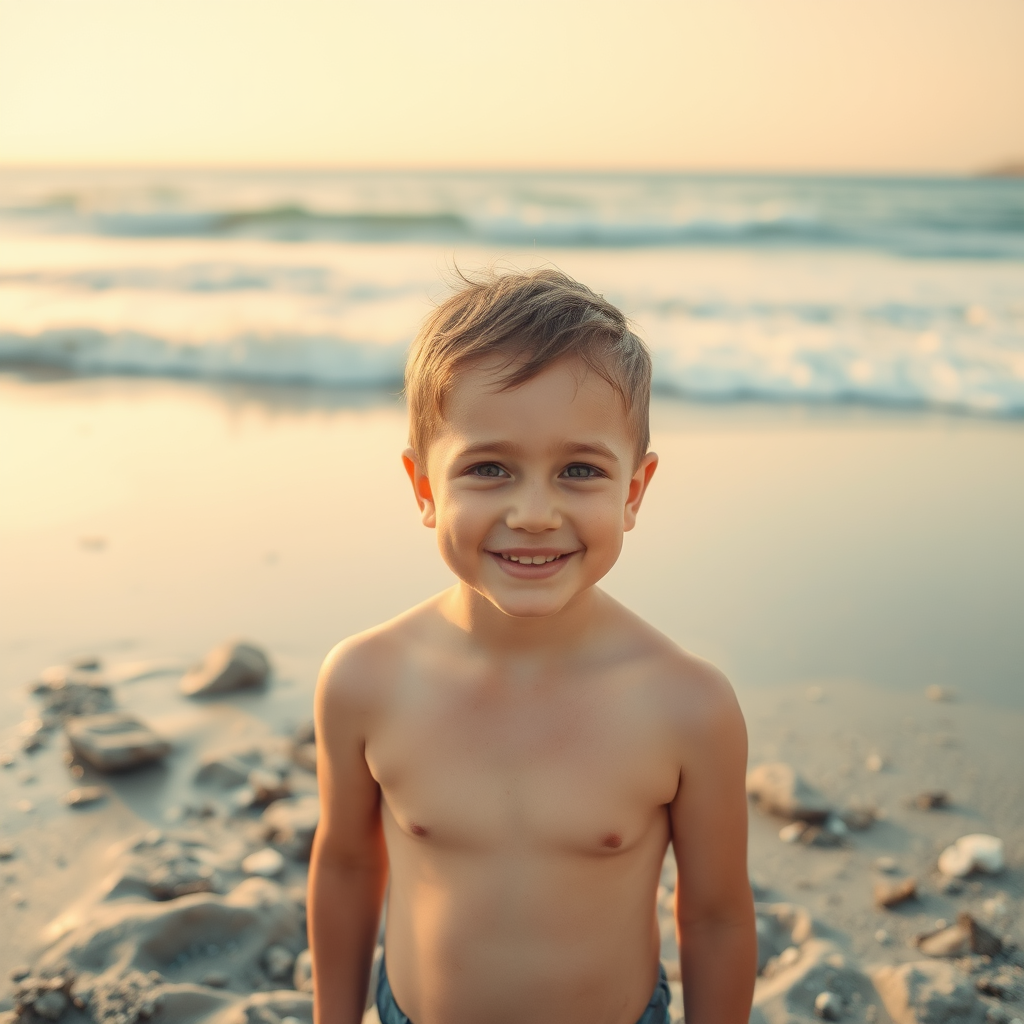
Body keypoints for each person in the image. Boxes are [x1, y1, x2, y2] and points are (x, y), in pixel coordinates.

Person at [308, 267, 756, 1024]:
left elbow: (715, 916)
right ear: (424, 488)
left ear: (634, 492)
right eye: (489, 469)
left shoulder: (687, 705)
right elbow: (347, 867)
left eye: (580, 470)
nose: (535, 513)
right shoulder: (365, 681)